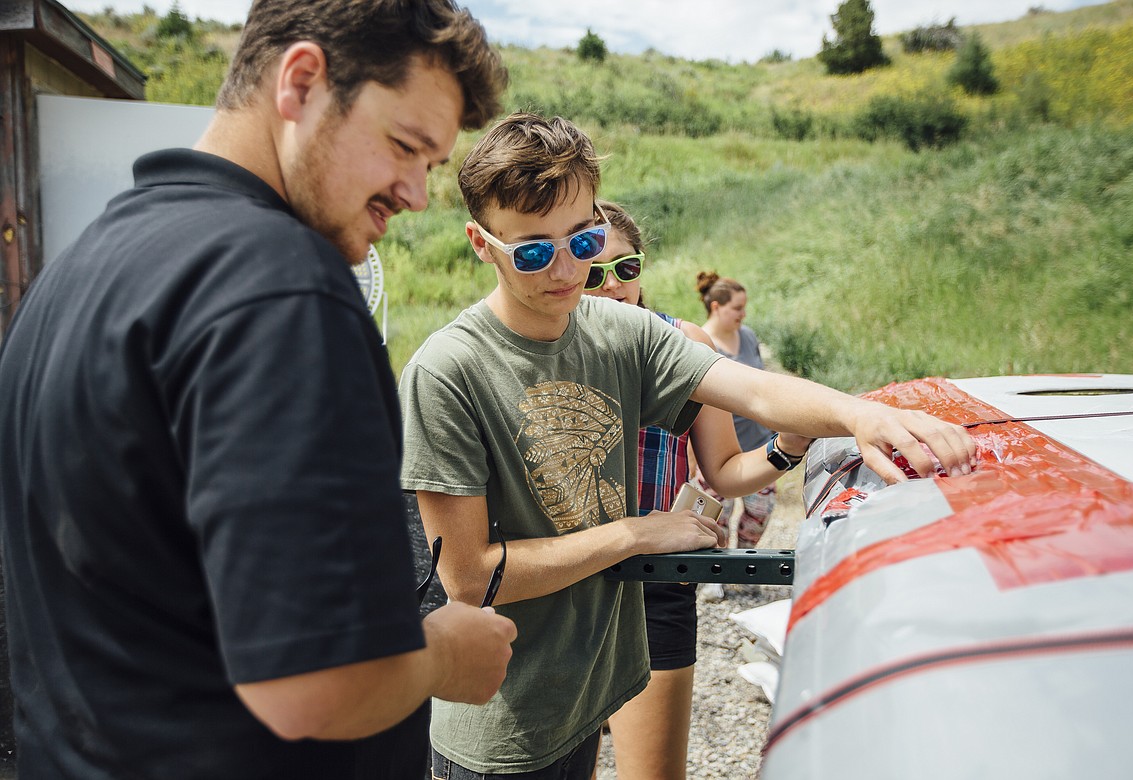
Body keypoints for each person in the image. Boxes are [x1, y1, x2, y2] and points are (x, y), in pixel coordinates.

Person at [0, 2, 517, 779]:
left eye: (432, 166)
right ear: (302, 81)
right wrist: (448, 652)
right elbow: (309, 686)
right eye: (404, 147)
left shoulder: (72, 274)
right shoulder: (281, 288)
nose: (415, 194)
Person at [399, 111, 976, 780]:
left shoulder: (619, 331)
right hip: (503, 721)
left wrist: (860, 414)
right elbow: (468, 577)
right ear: (480, 242)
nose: (566, 269)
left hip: (587, 689)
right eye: (532, 251)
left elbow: (753, 392)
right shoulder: (447, 372)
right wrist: (633, 535)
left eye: (582, 240)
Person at [584, 200, 811, 779]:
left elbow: (726, 470)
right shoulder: (535, 346)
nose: (612, 287)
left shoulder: (683, 343)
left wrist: (789, 447)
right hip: (563, 581)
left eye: (626, 269)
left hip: (655, 581)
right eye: (593, 272)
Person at [695, 271, 791, 549]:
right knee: (714, 520)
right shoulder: (700, 344)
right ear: (717, 307)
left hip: (759, 447)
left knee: (759, 516)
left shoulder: (747, 337)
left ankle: (747, 563)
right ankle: (715, 575)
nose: (743, 314)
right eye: (737, 308)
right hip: (715, 455)